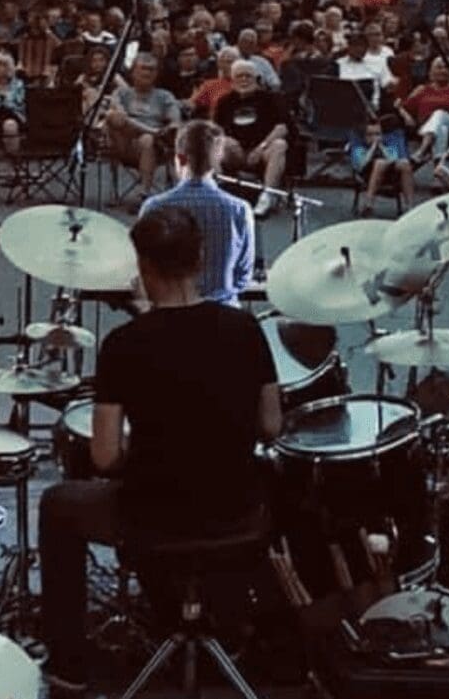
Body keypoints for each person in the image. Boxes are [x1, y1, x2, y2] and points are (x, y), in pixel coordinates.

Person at [38, 204, 281, 692]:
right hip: (237, 511)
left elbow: (105, 458)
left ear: (143, 268)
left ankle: (68, 665)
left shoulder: (125, 345)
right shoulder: (245, 330)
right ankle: (241, 630)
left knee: (58, 506)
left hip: (153, 517)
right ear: (200, 260)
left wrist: (148, 453)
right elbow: (271, 426)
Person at [140, 120, 255, 305]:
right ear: (217, 160)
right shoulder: (239, 209)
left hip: (171, 314)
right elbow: (243, 276)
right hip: (223, 318)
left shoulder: (153, 208)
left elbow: (145, 271)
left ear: (180, 157)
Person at [213, 59, 289, 219]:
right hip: (236, 152)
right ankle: (216, 191)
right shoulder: (224, 102)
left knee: (280, 145)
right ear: (232, 80)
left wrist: (261, 147)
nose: (244, 80)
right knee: (217, 142)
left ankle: (268, 196)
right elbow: (216, 130)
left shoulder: (271, 99)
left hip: (262, 151)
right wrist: (226, 141)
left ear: (257, 79)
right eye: (239, 76)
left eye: (248, 76)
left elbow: (282, 128)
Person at [106, 52, 181, 212]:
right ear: (133, 71)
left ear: (156, 74)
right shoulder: (122, 93)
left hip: (154, 146)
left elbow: (175, 121)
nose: (147, 73)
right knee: (112, 116)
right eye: (143, 68)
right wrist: (153, 131)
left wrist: (168, 129)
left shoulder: (164, 96)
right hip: (123, 142)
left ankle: (144, 194)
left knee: (146, 139)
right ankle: (150, 132)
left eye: (151, 69)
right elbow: (118, 116)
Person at [399, 56, 449, 165]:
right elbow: (400, 106)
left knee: (439, 114)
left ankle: (422, 151)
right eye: (439, 67)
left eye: (446, 67)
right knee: (442, 129)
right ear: (431, 71)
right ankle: (439, 162)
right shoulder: (422, 89)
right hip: (425, 127)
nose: (442, 70)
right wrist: (406, 116)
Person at [353, 120, 414, 217]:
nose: (375, 138)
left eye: (378, 134)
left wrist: (381, 147)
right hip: (366, 175)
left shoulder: (388, 146)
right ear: (364, 137)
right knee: (380, 163)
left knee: (405, 163)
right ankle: (368, 204)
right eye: (370, 135)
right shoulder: (359, 148)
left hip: (390, 174)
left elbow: (393, 159)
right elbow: (361, 165)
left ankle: (410, 207)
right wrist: (373, 148)